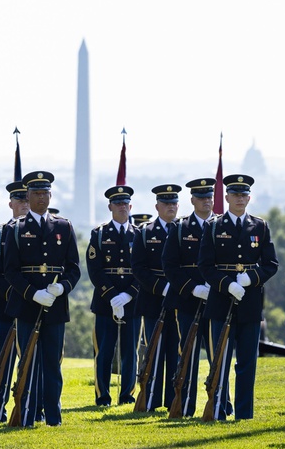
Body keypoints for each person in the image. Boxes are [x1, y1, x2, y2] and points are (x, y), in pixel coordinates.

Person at [2, 171, 81, 427]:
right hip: (27, 303)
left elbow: (74, 268)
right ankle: (27, 412)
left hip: (56, 306)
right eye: (35, 193)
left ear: (50, 195)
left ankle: (53, 416)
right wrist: (32, 293)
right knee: (27, 360)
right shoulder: (16, 229)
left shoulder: (63, 226)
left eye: (45, 193)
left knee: (52, 364)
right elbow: (10, 271)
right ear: (27, 196)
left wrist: (63, 288)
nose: (40, 198)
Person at [198, 174, 279, 421]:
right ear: (227, 197)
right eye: (235, 194)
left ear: (249, 197)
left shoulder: (260, 226)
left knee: (247, 363)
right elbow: (205, 266)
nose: (240, 199)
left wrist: (250, 278)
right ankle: (220, 409)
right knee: (220, 360)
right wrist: (227, 284)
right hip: (221, 301)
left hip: (251, 302)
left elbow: (271, 264)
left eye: (244, 195)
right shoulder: (213, 227)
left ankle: (244, 413)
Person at [162, 177, 217, 417]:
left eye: (209, 197)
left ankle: (219, 405)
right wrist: (193, 288)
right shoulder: (180, 228)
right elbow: (170, 266)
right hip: (188, 300)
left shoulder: (220, 225)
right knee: (188, 356)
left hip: (217, 300)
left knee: (218, 355)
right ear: (192, 200)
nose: (206, 201)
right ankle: (184, 405)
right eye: (201, 198)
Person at [87, 185, 140, 405]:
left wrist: (128, 295)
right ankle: (103, 396)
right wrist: (110, 296)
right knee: (104, 351)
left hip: (133, 302)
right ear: (110, 206)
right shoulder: (99, 234)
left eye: (125, 203)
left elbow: (143, 270)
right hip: (104, 301)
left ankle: (127, 395)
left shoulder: (139, 234)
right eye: (117, 203)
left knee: (131, 352)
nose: (122, 207)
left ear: (130, 206)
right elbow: (94, 269)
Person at [132, 184, 182, 410]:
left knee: (176, 352)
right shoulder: (145, 232)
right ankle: (150, 399)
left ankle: (173, 400)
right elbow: (138, 268)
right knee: (153, 351)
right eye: (166, 204)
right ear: (157, 206)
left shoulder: (184, 230)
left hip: (181, 298)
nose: (170, 207)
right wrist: (162, 287)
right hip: (154, 299)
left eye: (173, 203)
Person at [0, 181, 32, 421]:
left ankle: (30, 409)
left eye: (27, 200)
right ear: (10, 203)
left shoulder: (37, 230)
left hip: (30, 307)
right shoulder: (0, 233)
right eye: (20, 200)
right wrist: (13, 294)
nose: (24, 204)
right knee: (1, 361)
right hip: (5, 306)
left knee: (30, 361)